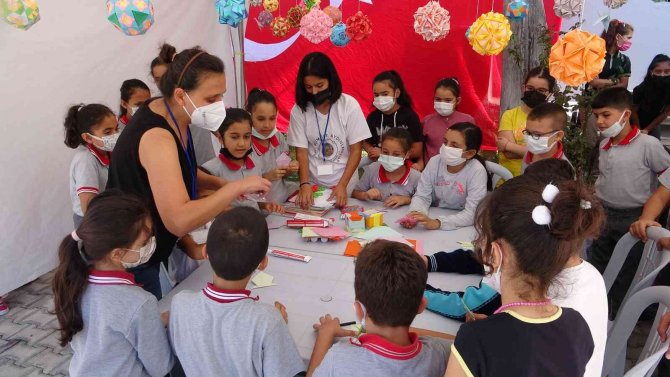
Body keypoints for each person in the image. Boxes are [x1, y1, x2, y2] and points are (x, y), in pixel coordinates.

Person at [107, 46, 271, 299]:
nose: (219, 106)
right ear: (181, 95)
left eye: (221, 96)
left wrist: (218, 183)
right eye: (211, 99)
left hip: (151, 245)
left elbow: (181, 168)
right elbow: (179, 219)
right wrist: (233, 188)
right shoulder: (157, 136)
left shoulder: (176, 114)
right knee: (147, 322)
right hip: (129, 254)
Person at [424, 163, 608, 377]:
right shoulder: (576, 317)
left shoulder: (475, 340)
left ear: (496, 252)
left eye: (482, 238)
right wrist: (499, 331)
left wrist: (486, 339)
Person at [168, 207, 305, 377]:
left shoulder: (180, 303)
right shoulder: (267, 320)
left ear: (205, 253)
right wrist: (276, 327)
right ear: (263, 263)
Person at [52, 191, 173, 377]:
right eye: (143, 243)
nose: (150, 245)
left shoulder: (72, 282)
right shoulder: (139, 302)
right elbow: (161, 366)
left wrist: (153, 322)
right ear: (117, 254)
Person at [307, 240, 451, 377]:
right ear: (422, 306)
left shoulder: (338, 358)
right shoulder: (440, 354)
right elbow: (461, 339)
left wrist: (325, 334)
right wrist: (352, 332)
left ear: (359, 309)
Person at [587, 87, 670, 315]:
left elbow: (665, 180)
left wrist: (649, 216)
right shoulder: (605, 145)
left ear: (625, 114)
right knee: (598, 263)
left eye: (606, 115)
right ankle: (596, 310)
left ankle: (619, 316)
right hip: (604, 213)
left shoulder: (648, 145)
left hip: (633, 217)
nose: (600, 122)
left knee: (627, 270)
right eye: (596, 116)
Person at [287, 52, 371, 209]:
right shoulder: (299, 110)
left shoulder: (348, 105)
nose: (314, 92)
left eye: (320, 86)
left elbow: (356, 150)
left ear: (330, 81)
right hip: (313, 184)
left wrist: (342, 185)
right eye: (308, 87)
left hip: (344, 181)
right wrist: (304, 183)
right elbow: (301, 151)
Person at [406, 122, 488, 231]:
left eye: (454, 145)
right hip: (434, 215)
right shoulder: (435, 162)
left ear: (470, 153)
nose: (446, 148)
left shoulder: (477, 171)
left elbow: (473, 213)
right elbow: (422, 196)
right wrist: (415, 214)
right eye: (445, 142)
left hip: (462, 227)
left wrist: (438, 223)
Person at [201, 108, 284, 214]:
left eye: (246, 136)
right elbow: (207, 208)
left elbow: (250, 201)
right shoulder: (210, 170)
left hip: (255, 225)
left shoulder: (255, 164)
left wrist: (265, 205)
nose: (242, 143)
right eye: (234, 137)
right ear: (221, 138)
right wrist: (238, 213)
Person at [150, 43, 215, 166]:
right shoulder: (155, 109)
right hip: (178, 165)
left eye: (166, 76)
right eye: (158, 79)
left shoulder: (195, 98)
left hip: (204, 161)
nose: (163, 83)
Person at [64, 103, 119, 227]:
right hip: (92, 222)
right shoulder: (86, 160)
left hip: (106, 214)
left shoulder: (107, 153)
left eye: (116, 129)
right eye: (108, 132)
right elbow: (88, 206)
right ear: (88, 137)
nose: (115, 135)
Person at [497, 67, 557, 177]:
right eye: (530, 88)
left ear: (550, 94)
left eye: (541, 90)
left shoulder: (552, 119)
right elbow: (508, 154)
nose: (535, 93)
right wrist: (536, 152)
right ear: (523, 88)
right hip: (509, 179)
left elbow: (547, 155)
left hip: (538, 179)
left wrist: (509, 145)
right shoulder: (509, 115)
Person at [247, 88, 299, 203]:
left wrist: (290, 169)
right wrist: (266, 177)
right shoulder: (244, 145)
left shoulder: (279, 137)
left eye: (272, 118)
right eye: (261, 119)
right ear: (249, 116)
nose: (267, 125)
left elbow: (284, 171)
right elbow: (240, 185)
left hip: (283, 202)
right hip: (259, 208)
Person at [363, 71, 424, 169]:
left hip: (404, 165)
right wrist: (370, 149)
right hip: (378, 163)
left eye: (385, 94)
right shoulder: (372, 117)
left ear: (397, 93)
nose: (380, 98)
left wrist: (385, 155)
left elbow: (417, 150)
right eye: (376, 95)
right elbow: (365, 141)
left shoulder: (410, 116)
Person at [352, 128, 421, 208]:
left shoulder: (416, 177)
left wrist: (407, 199)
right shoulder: (372, 169)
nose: (389, 157)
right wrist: (366, 195)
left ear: (407, 154)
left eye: (396, 154)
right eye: (385, 152)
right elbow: (355, 193)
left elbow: (425, 200)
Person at [422, 78, 475, 162]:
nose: (442, 103)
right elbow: (421, 148)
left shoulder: (467, 120)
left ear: (457, 100)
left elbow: (472, 148)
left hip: (459, 169)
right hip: (431, 170)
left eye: (448, 100)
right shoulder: (426, 121)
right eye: (438, 99)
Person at [520, 102, 570, 173]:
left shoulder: (564, 170)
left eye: (537, 135)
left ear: (558, 135)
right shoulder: (529, 154)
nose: (530, 138)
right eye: (528, 132)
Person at [588, 20, 634, 91]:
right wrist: (615, 81)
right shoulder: (596, 55)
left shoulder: (624, 60)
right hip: (591, 99)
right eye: (628, 38)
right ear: (618, 37)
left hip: (614, 100)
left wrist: (604, 85)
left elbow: (624, 85)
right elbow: (593, 82)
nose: (630, 42)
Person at [633, 54, 670, 139]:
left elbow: (665, 113)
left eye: (667, 71)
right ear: (651, 72)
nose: (662, 75)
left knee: (655, 146)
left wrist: (647, 129)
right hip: (633, 122)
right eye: (658, 71)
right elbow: (633, 113)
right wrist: (638, 130)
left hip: (653, 123)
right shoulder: (640, 89)